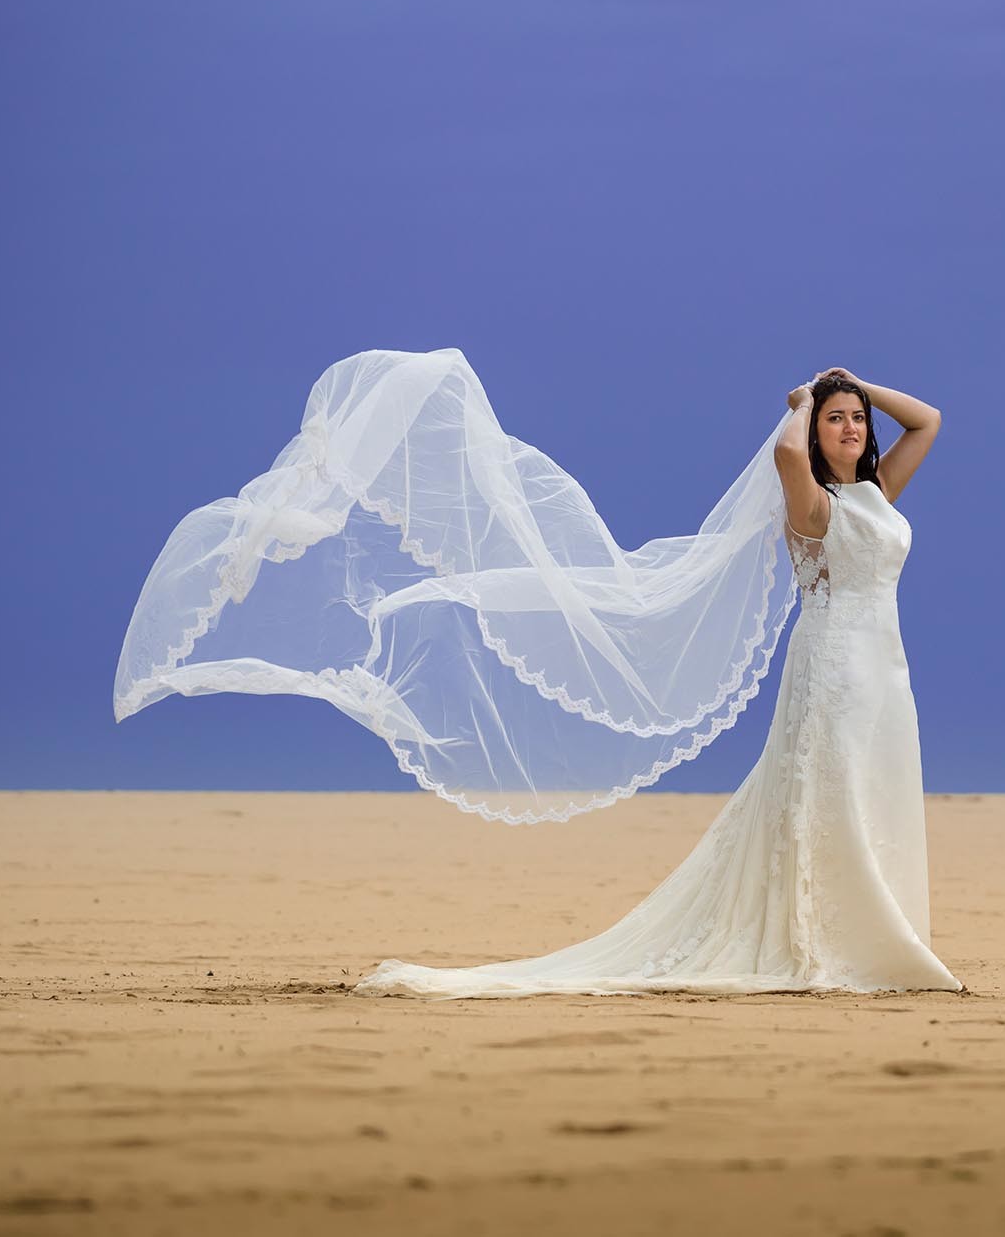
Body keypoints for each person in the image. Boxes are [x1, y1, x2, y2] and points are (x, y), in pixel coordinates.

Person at [351, 367, 964, 997]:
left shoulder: (876, 492)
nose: (852, 428)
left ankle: (874, 932)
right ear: (814, 432)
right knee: (831, 795)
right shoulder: (812, 502)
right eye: (837, 419)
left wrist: (857, 383)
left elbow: (927, 421)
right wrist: (807, 400)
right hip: (834, 665)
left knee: (875, 789)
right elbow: (785, 449)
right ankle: (836, 940)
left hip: (885, 669)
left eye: (858, 419)